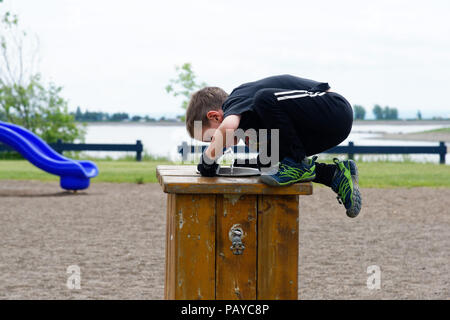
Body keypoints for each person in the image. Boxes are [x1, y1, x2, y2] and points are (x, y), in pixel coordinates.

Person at [185, 74, 361, 218]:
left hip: (334, 109)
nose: (215, 145)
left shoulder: (234, 100)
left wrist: (207, 160)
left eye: (210, 139)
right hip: (324, 128)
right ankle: (334, 175)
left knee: (265, 98)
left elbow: (228, 127)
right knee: (267, 162)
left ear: (215, 116)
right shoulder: (249, 120)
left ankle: (298, 164)